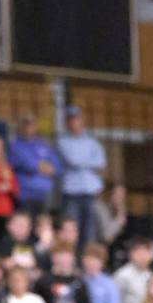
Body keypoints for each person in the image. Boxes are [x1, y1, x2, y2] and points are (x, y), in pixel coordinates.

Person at [56, 106, 106, 248]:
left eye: (76, 119)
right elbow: (72, 159)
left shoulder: (92, 141)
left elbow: (101, 162)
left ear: (82, 121)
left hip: (89, 191)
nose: (74, 123)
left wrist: (82, 162)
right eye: (71, 120)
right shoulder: (63, 141)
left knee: (90, 230)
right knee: (71, 229)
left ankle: (88, 258)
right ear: (67, 123)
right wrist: (88, 162)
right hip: (71, 191)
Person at [7, 116, 60, 216]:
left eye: (32, 125)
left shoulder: (43, 144)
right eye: (26, 126)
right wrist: (42, 166)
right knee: (26, 226)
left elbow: (56, 166)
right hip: (25, 194)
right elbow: (28, 164)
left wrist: (43, 167)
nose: (29, 129)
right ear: (21, 128)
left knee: (43, 226)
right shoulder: (15, 145)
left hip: (44, 194)